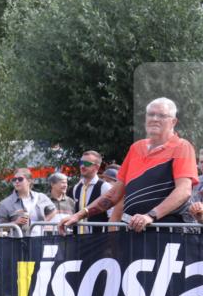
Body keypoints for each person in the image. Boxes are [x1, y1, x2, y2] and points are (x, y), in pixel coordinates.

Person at [60, 98, 198, 234]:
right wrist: (79, 215)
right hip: (134, 233)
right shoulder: (136, 148)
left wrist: (151, 216)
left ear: (173, 121)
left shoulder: (182, 147)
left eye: (161, 115)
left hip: (168, 233)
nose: (155, 118)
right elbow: (114, 194)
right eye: (151, 114)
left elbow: (184, 191)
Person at [0, 168, 54, 236]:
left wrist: (44, 222)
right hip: (17, 242)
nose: (16, 181)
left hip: (39, 240)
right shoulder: (5, 203)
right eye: (14, 179)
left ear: (29, 181)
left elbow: (53, 210)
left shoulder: (41, 197)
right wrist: (15, 223)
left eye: (20, 179)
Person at [70, 150, 111, 234]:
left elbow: (111, 216)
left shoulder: (104, 187)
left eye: (87, 163)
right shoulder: (76, 188)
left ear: (96, 167)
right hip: (78, 240)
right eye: (81, 162)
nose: (82, 166)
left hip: (98, 240)